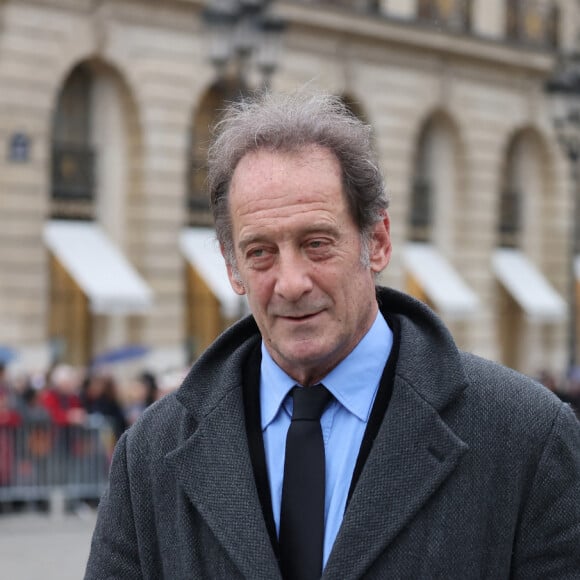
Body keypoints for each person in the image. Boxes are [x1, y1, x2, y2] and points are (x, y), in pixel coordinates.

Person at [85, 91, 580, 579]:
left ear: (378, 242)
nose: (292, 282)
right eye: (260, 252)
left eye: (316, 244)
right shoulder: (149, 454)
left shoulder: (526, 437)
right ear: (232, 268)